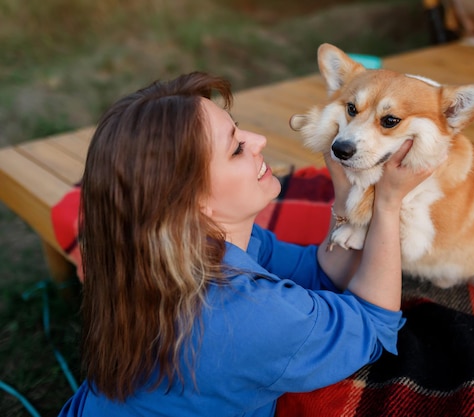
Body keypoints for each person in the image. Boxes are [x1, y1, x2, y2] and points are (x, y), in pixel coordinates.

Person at [58, 71, 433, 417]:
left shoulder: (168, 248)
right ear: (191, 200)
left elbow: (316, 272)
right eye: (236, 148)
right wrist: (387, 203)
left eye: (238, 129)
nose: (259, 140)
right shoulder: (249, 316)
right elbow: (375, 325)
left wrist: (347, 192)